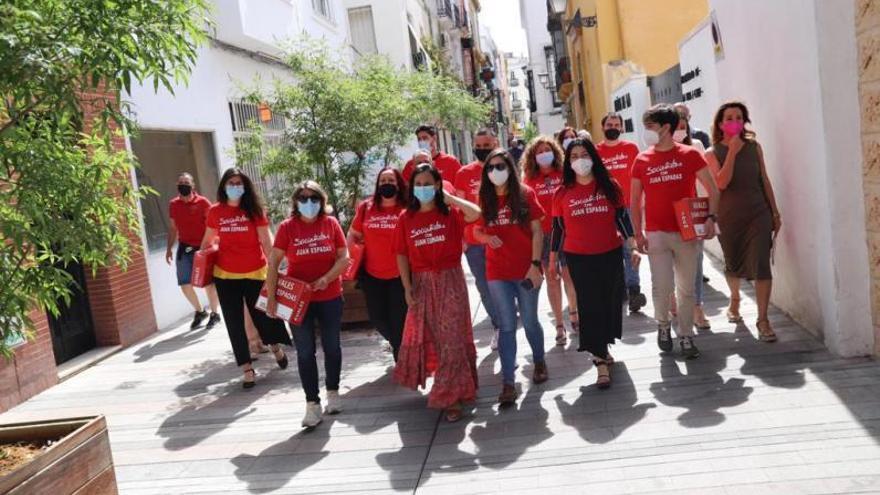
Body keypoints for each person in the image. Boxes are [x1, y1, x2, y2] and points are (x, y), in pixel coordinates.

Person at [393, 163, 482, 423]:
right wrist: (407, 288)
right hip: (422, 284)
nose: (423, 189)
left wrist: (451, 198)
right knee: (437, 339)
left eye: (428, 184)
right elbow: (401, 254)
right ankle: (456, 388)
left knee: (452, 337)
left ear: (438, 185)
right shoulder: (405, 218)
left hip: (451, 280)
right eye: (418, 184)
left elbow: (475, 214)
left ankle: (451, 396)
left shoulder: (451, 213)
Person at [630, 104, 720, 359]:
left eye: (650, 127)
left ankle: (687, 335)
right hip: (656, 232)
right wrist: (638, 234)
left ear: (666, 127)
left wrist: (712, 218)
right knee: (661, 286)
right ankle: (662, 326)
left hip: (686, 232)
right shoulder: (642, 159)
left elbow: (713, 189)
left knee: (687, 287)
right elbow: (634, 200)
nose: (646, 132)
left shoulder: (690, 155)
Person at [550, 138, 636, 388]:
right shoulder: (562, 192)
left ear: (593, 157)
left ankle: (603, 346)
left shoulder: (610, 186)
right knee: (590, 305)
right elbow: (557, 228)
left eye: (583, 154)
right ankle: (599, 359)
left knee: (611, 302)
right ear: (568, 162)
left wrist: (632, 245)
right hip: (578, 257)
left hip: (609, 252)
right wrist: (553, 259)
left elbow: (622, 218)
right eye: (574, 156)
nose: (579, 160)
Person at [267, 180, 349, 428]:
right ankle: (312, 404)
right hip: (298, 300)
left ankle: (333, 393)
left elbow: (344, 258)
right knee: (304, 352)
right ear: (295, 202)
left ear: (321, 200)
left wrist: (327, 278)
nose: (308, 202)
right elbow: (273, 262)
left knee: (332, 347)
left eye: (313, 197)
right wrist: (272, 298)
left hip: (330, 296)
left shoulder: (331, 224)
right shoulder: (287, 227)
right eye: (302, 198)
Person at [200, 168, 291, 389]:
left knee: (264, 317)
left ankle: (275, 347)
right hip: (225, 275)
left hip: (255, 272)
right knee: (233, 323)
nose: (235, 187)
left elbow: (267, 243)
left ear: (245, 186)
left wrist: (276, 268)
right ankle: (247, 368)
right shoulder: (215, 211)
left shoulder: (254, 210)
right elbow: (207, 241)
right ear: (223, 186)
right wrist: (205, 255)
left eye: (239, 183)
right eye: (230, 183)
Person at [474, 149, 547, 406]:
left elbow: (538, 231)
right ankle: (507, 382)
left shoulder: (525, 194)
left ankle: (539, 361)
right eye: (491, 167)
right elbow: (475, 230)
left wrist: (536, 264)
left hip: (526, 269)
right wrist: (485, 238)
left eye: (500, 166)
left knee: (529, 321)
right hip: (497, 272)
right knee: (506, 325)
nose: (496, 171)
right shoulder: (483, 199)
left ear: (510, 168)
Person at [705, 101, 782, 342]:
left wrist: (775, 213)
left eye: (739, 117)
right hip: (730, 217)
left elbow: (765, 179)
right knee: (733, 262)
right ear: (720, 123)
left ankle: (763, 319)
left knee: (761, 263)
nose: (734, 122)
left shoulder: (754, 147)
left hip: (758, 213)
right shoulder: (711, 152)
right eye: (729, 118)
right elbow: (721, 183)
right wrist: (733, 152)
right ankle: (735, 298)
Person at [347, 167, 409, 361]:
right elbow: (353, 234)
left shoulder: (407, 207)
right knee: (377, 318)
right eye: (383, 181)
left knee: (399, 318)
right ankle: (400, 345)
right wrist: (351, 254)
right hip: (372, 274)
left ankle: (402, 357)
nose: (387, 184)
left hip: (400, 274)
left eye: (391, 180)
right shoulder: (367, 207)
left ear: (399, 184)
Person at [521, 136, 578, 346]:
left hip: (566, 231)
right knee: (553, 279)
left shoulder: (565, 174)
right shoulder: (528, 180)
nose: (544, 154)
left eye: (547, 150)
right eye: (539, 151)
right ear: (533, 157)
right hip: (543, 237)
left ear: (555, 153)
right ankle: (559, 325)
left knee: (569, 276)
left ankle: (574, 312)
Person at [454, 129, 502, 349]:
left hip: (503, 238)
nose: (482, 150)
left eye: (487, 145)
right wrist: (460, 237)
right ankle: (499, 325)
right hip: (474, 242)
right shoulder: (464, 173)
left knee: (504, 285)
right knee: (484, 286)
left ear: (496, 144)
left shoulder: (505, 168)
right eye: (479, 146)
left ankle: (506, 319)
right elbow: (459, 209)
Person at [596, 113, 648, 313]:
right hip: (604, 209)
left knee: (630, 249)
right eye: (609, 124)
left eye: (617, 125)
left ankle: (634, 289)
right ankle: (618, 289)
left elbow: (640, 177)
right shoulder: (595, 151)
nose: (613, 127)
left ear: (622, 128)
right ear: (603, 127)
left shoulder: (631, 149)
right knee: (610, 251)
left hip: (628, 207)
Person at [672, 104, 711, 330]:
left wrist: (708, 211)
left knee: (696, 261)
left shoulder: (696, 145)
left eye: (683, 127)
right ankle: (675, 302)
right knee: (675, 264)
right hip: (669, 214)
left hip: (693, 210)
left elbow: (706, 181)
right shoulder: (658, 150)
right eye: (676, 127)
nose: (680, 130)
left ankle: (698, 307)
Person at [166, 173, 221, 329]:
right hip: (184, 248)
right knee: (185, 284)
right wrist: (169, 248)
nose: (183, 185)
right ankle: (200, 311)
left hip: (203, 248)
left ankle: (215, 314)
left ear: (193, 185)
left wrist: (210, 246)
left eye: (186, 182)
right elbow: (172, 228)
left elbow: (214, 226)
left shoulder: (203, 203)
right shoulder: (173, 204)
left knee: (208, 284)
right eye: (181, 182)